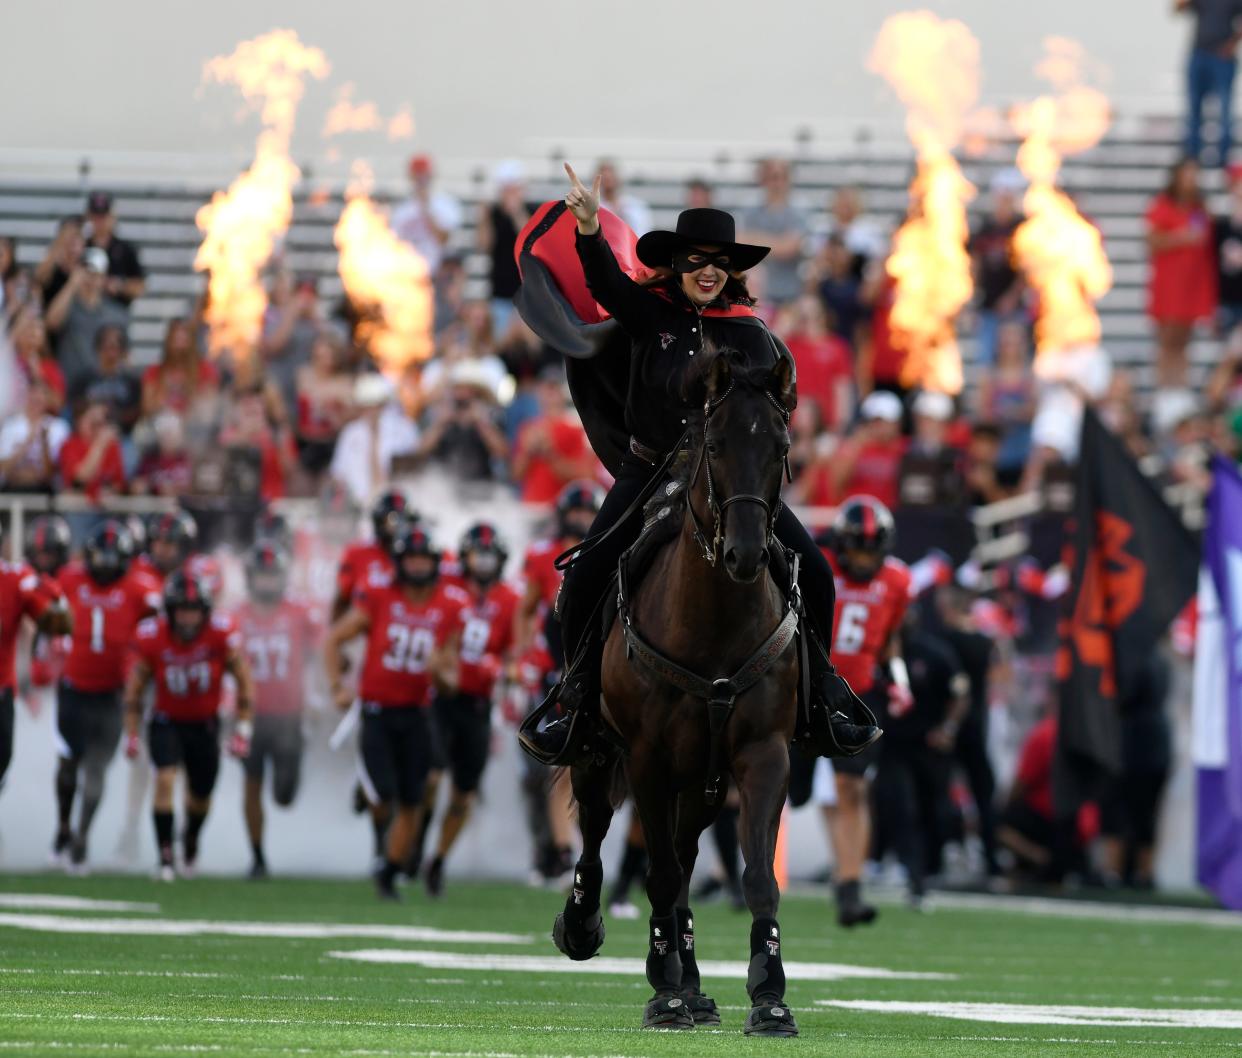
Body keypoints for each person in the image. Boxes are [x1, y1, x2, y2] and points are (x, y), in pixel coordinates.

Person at [519, 165, 877, 765]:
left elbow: (774, 411)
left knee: (816, 571)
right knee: (584, 577)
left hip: (731, 483)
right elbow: (605, 284)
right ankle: (574, 698)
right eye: (694, 259)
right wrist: (586, 229)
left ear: (730, 269)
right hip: (649, 470)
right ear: (679, 265)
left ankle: (821, 697)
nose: (706, 270)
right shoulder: (649, 313)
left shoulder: (753, 335)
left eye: (718, 260)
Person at [324, 524, 466, 900]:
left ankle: (388, 870)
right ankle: (368, 792)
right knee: (384, 794)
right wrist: (337, 685)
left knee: (412, 799)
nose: (418, 566)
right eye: (412, 559)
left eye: (424, 559)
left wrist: (441, 673)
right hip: (377, 711)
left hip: (417, 713)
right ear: (400, 562)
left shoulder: (450, 604)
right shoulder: (379, 595)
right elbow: (335, 637)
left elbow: (452, 676)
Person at [123, 571, 253, 880]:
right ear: (170, 610)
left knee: (200, 797)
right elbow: (134, 690)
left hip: (205, 724)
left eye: (194, 610)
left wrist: (243, 729)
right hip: (167, 721)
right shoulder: (152, 635)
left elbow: (245, 681)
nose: (187, 618)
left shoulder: (221, 634)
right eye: (182, 610)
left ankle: (191, 839)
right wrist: (130, 732)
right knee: (165, 780)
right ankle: (165, 856)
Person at [819, 496, 912, 926]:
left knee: (851, 788)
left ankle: (850, 886)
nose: (864, 559)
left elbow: (891, 639)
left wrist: (899, 680)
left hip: (862, 695)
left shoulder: (896, 581)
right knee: (798, 788)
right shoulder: (819, 565)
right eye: (857, 548)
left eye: (872, 550)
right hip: (812, 687)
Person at [415, 523, 519, 896]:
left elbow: (515, 653)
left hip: (478, 705)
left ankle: (438, 860)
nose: (485, 561)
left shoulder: (509, 599)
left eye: (491, 554)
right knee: (432, 775)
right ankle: (417, 835)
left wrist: (507, 670)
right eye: (479, 553)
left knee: (463, 792)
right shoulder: (447, 588)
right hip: (442, 699)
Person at [52, 521, 161, 872]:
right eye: (103, 554)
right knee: (68, 766)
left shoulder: (142, 589)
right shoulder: (69, 579)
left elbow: (164, 631)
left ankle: (82, 837)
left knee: (97, 768)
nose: (107, 562)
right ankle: (64, 827)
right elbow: (42, 615)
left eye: (115, 555)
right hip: (72, 688)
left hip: (113, 696)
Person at [515, 481, 603, 881]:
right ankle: (553, 852)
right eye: (578, 511)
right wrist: (520, 657)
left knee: (581, 769)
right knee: (542, 771)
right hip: (553, 671)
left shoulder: (607, 550)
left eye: (590, 512)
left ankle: (566, 852)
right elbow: (527, 610)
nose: (583, 519)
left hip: (590, 670)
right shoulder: (542, 555)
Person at [232, 541, 323, 879]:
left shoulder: (300, 612)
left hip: (289, 715)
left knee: (284, 795)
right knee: (251, 782)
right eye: (262, 576)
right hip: (249, 715)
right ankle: (257, 856)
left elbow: (319, 655)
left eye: (273, 576)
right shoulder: (236, 616)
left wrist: (316, 697)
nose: (267, 583)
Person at [871, 621, 969, 907]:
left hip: (927, 746)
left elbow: (960, 693)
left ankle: (929, 867)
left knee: (933, 808)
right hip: (891, 745)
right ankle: (911, 873)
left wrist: (948, 729)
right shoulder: (876, 654)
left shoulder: (934, 653)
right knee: (899, 806)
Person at [0, 524, 69, 797]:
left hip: (2, 689)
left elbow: (59, 621)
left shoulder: (17, 579)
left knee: (2, 760)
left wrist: (50, 598)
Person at [1146, 157, 1217, 388]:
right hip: (1170, 283)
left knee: (1184, 340)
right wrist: (1180, 237)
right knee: (1167, 340)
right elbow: (1152, 241)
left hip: (1192, 283)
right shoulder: (1162, 205)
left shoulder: (1200, 207)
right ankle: (1164, 387)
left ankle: (1180, 388)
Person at [44, 246, 130, 398]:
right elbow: (51, 323)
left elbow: (125, 355)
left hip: (102, 391)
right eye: (87, 273)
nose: (91, 279)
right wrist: (71, 284)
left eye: (96, 274)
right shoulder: (68, 306)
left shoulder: (116, 313)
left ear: (104, 277)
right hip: (70, 388)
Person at [328, 374, 420, 506]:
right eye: (366, 405)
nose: (371, 411)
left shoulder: (404, 430)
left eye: (376, 405)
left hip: (397, 504)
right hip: (358, 506)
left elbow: (412, 469)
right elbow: (338, 474)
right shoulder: (351, 433)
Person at [969, 169, 1027, 366]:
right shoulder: (985, 227)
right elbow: (975, 263)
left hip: (1015, 306)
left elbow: (1027, 268)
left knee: (1015, 357)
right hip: (989, 304)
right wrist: (974, 298)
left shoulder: (1021, 227)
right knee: (986, 358)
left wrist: (1012, 297)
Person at [511, 368, 597, 503]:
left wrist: (549, 453)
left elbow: (586, 475)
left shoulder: (576, 428)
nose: (549, 393)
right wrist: (529, 452)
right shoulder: (528, 427)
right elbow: (516, 475)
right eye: (545, 388)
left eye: (554, 388)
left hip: (561, 507)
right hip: (531, 505)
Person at [739, 158, 809, 308]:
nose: (777, 183)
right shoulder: (750, 209)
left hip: (789, 295)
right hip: (756, 293)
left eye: (781, 177)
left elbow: (789, 248)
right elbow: (739, 244)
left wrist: (755, 240)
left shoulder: (798, 209)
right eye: (772, 177)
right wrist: (777, 242)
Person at [1178, 0, 1242, 164]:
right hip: (1199, 54)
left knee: (1225, 110)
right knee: (1193, 109)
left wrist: (1232, 44)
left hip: (1222, 57)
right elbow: (1178, 9)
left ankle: (1223, 158)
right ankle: (1192, 158)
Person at [332, 489, 409, 620]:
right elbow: (342, 598)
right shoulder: (357, 553)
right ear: (379, 520)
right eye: (391, 520)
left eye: (402, 519)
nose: (396, 527)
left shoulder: (417, 557)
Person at [477, 160, 530, 337]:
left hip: (526, 293)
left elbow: (528, 241)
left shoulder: (529, 210)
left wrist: (515, 211)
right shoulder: (493, 214)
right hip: (500, 292)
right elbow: (484, 245)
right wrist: (483, 218)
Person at [389, 154, 462, 280]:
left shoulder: (446, 205)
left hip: (440, 275)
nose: (421, 179)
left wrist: (426, 208)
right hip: (409, 275)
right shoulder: (402, 210)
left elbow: (443, 239)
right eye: (417, 175)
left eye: (424, 174)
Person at [0, 381, 69, 493]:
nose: (37, 397)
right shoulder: (10, 425)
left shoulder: (58, 427)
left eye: (43, 394)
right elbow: (3, 467)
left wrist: (44, 442)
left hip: (44, 490)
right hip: (12, 488)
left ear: (48, 399)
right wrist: (28, 442)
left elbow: (51, 473)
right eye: (33, 393)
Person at [83, 191, 146, 308]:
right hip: (84, 310)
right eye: (95, 216)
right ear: (89, 216)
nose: (99, 221)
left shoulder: (126, 249)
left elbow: (140, 286)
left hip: (115, 310)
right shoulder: (80, 246)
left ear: (112, 216)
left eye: (103, 216)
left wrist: (119, 286)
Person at [59, 398, 127, 504]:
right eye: (93, 422)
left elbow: (118, 483)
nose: (98, 427)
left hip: (106, 508)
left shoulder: (112, 446)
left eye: (102, 422)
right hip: (79, 508)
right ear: (79, 421)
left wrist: (111, 492)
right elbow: (81, 477)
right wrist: (100, 445)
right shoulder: (70, 445)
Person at [135, 510, 199, 586]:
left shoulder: (198, 572)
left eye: (168, 542)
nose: (160, 548)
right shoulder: (137, 570)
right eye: (157, 540)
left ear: (183, 546)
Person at [596, 159, 653, 235]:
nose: (607, 176)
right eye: (603, 172)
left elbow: (642, 232)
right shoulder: (592, 207)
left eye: (611, 171)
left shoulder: (637, 206)